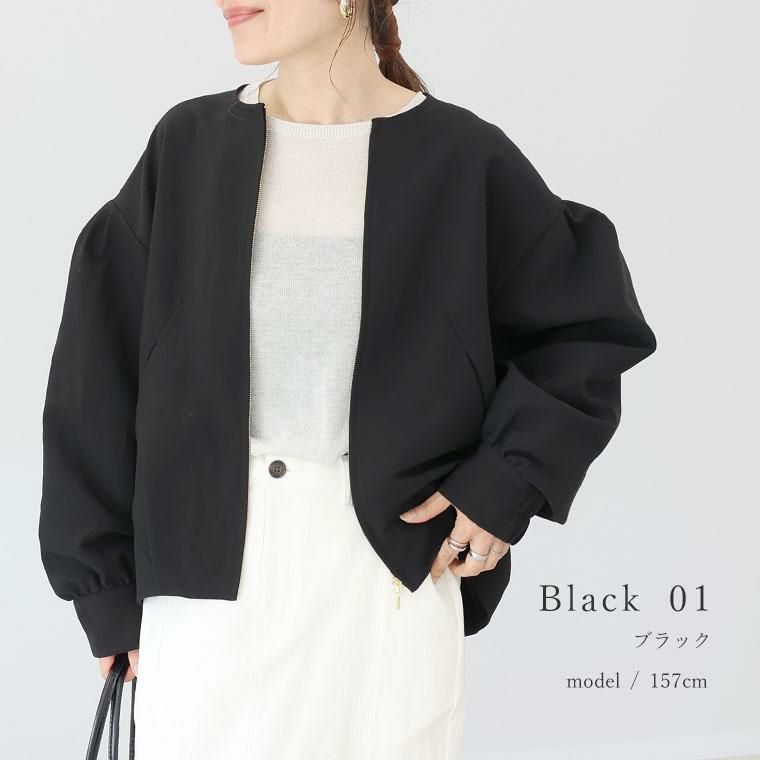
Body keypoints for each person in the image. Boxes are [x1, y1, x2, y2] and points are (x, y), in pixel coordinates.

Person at [38, 1, 657, 758]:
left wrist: (503, 484)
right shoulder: (188, 148)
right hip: (203, 580)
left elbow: (586, 327)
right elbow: (94, 377)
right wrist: (103, 589)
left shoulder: (464, 159)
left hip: (387, 578)